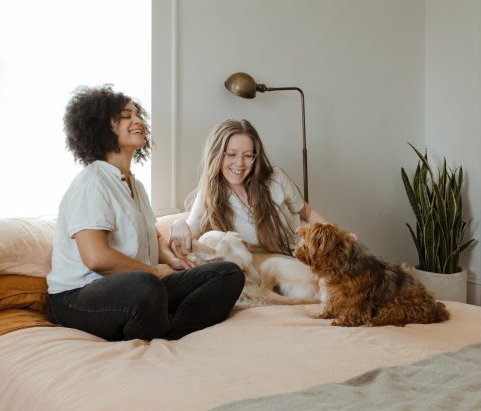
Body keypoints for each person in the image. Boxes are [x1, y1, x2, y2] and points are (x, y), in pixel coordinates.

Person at [46, 85, 244, 342]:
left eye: (138, 114)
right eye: (127, 116)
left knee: (228, 273)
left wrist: (173, 262)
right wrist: (153, 272)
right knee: (145, 286)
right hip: (78, 297)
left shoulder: (135, 185)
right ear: (101, 127)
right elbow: (96, 258)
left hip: (140, 286)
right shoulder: (92, 182)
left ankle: (169, 330)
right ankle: (158, 321)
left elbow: (154, 235)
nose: (138, 120)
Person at [171, 119, 327, 259]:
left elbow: (306, 212)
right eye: (231, 154)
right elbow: (187, 237)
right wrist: (178, 223)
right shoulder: (209, 196)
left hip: (304, 253)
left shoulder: (276, 178)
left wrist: (335, 234)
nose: (240, 164)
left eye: (247, 155)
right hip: (269, 266)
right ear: (216, 155)